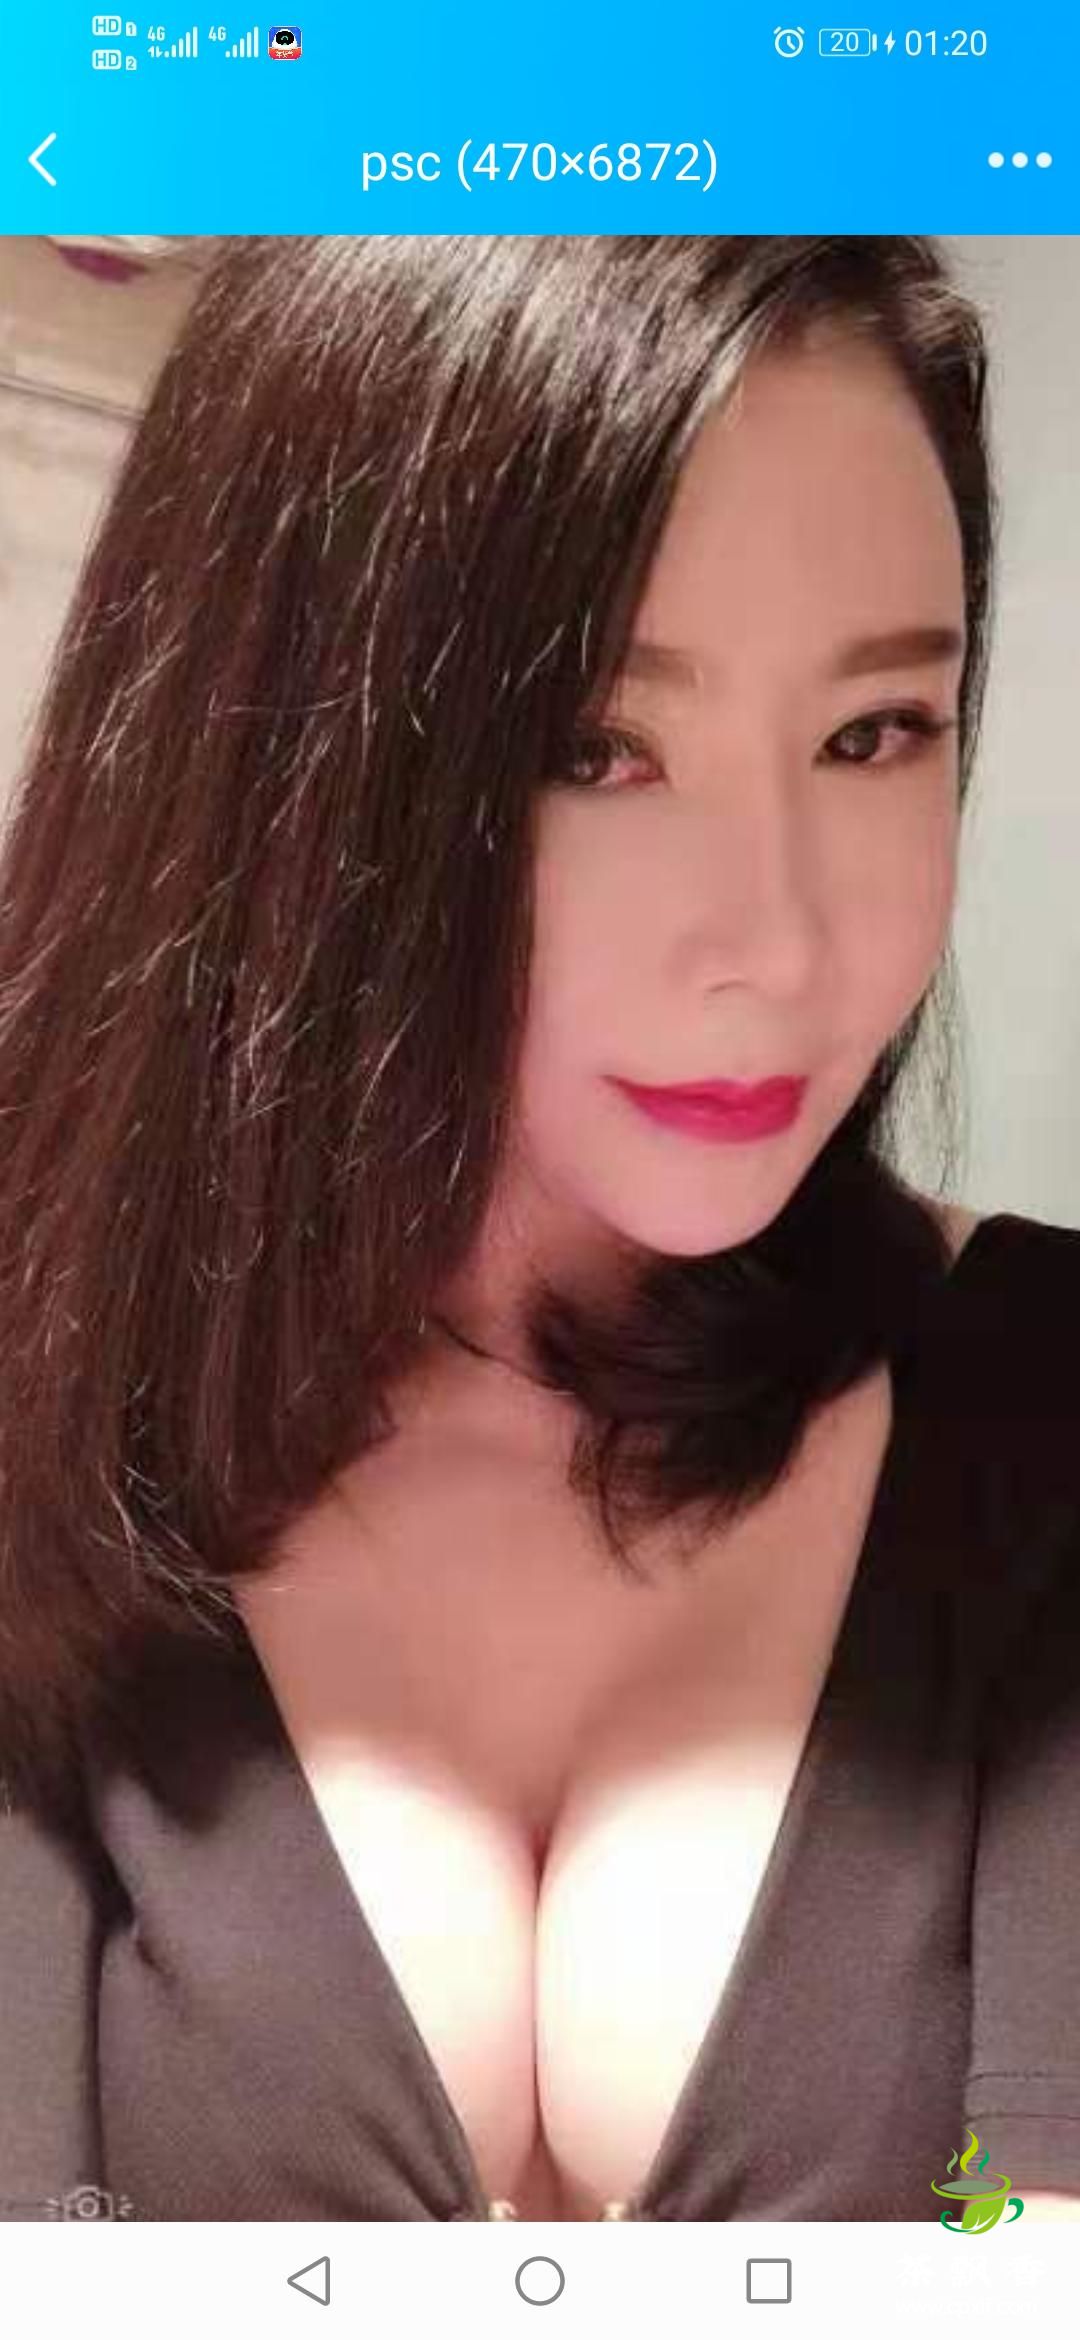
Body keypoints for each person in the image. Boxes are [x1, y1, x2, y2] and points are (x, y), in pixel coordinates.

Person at [0, 234, 1078, 2226]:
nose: (780, 943)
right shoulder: (42, 1445)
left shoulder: (1042, 1407)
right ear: (274, 768)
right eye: (594, 748)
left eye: (875, 732)